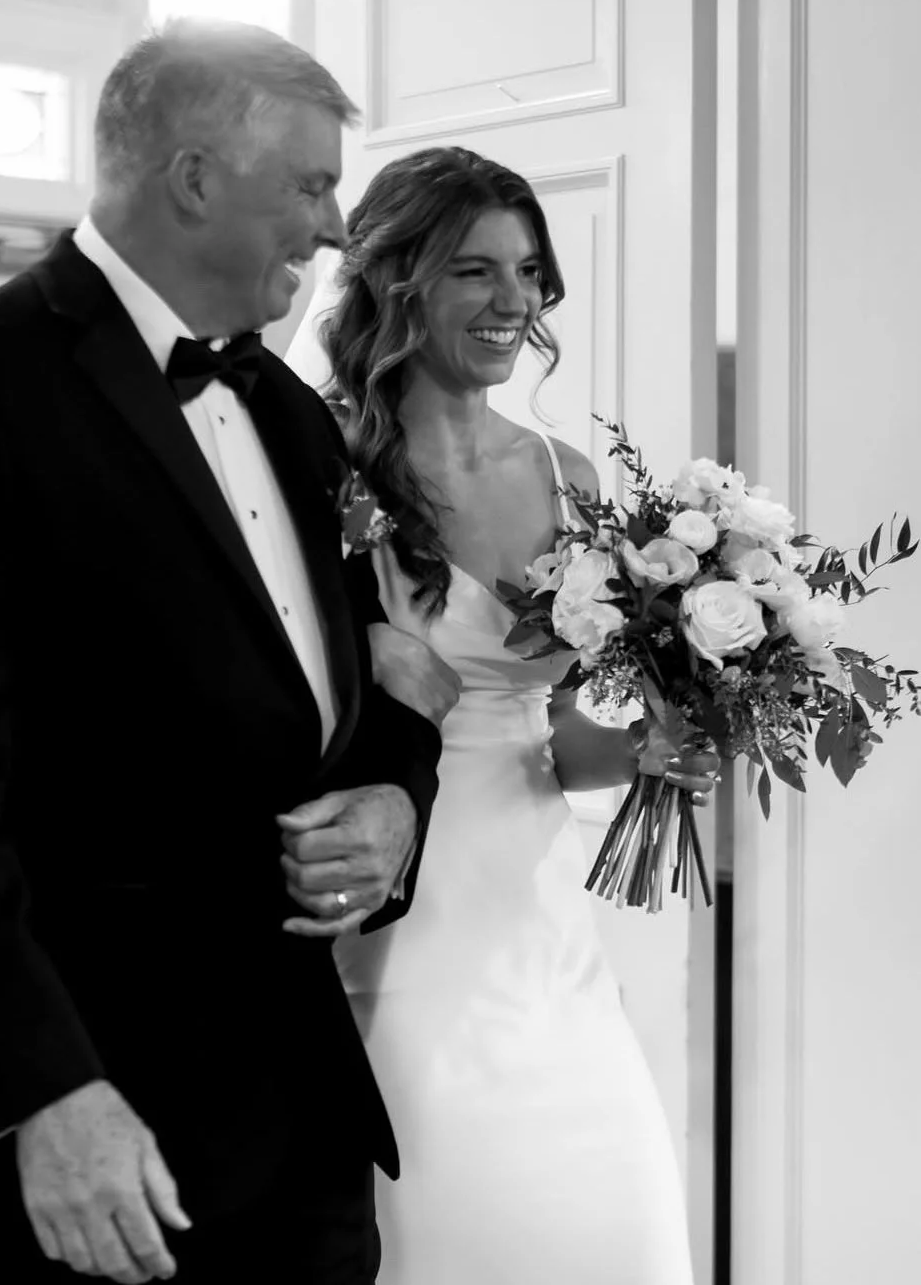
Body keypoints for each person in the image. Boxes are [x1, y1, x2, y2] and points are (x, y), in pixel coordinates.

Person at [0, 20, 457, 1285]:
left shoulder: (295, 412)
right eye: (310, 186)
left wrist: (395, 804)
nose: (331, 229)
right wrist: (42, 1095)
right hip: (97, 1133)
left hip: (304, 1115)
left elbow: (363, 684)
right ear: (196, 177)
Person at [287, 145, 718, 1285]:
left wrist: (647, 749)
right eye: (476, 270)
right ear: (398, 278)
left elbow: (557, 739)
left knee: (602, 1205)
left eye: (528, 272)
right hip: (386, 908)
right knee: (434, 1212)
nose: (514, 302)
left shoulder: (568, 476)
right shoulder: (311, 455)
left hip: (538, 922)